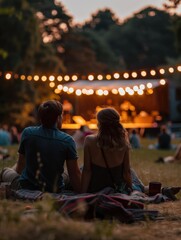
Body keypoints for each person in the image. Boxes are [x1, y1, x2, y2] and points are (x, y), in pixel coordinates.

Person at [0, 100, 81, 193]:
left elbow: (20, 168)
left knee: (5, 171)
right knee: (66, 175)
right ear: (58, 118)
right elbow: (74, 175)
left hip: (26, 186)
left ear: (40, 118)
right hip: (54, 189)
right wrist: (83, 195)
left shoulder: (27, 133)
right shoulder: (68, 141)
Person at [81, 107, 132, 193]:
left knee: (81, 168)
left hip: (95, 189)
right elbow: (126, 172)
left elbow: (87, 171)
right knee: (134, 175)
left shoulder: (89, 140)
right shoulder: (123, 142)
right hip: (117, 189)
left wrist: (82, 194)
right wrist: (131, 191)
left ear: (99, 123)